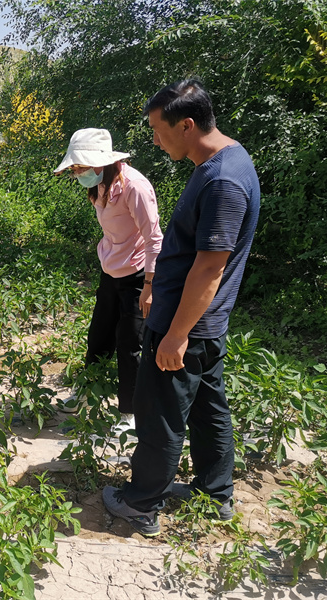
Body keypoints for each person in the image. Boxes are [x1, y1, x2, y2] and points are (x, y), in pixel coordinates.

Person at [102, 80, 260, 537]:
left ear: (186, 125)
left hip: (185, 326)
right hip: (203, 325)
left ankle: (140, 503)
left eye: (157, 128)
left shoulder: (224, 180)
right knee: (210, 406)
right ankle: (216, 492)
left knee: (160, 413)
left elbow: (210, 268)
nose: (153, 138)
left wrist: (175, 335)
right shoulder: (224, 160)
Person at [54, 129, 163, 422]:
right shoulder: (99, 184)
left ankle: (130, 414)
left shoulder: (135, 187)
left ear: (99, 161)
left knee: (130, 345)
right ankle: (87, 391)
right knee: (99, 336)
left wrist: (149, 286)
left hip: (137, 276)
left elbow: (154, 239)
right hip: (110, 271)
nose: (76, 172)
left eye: (79, 166)